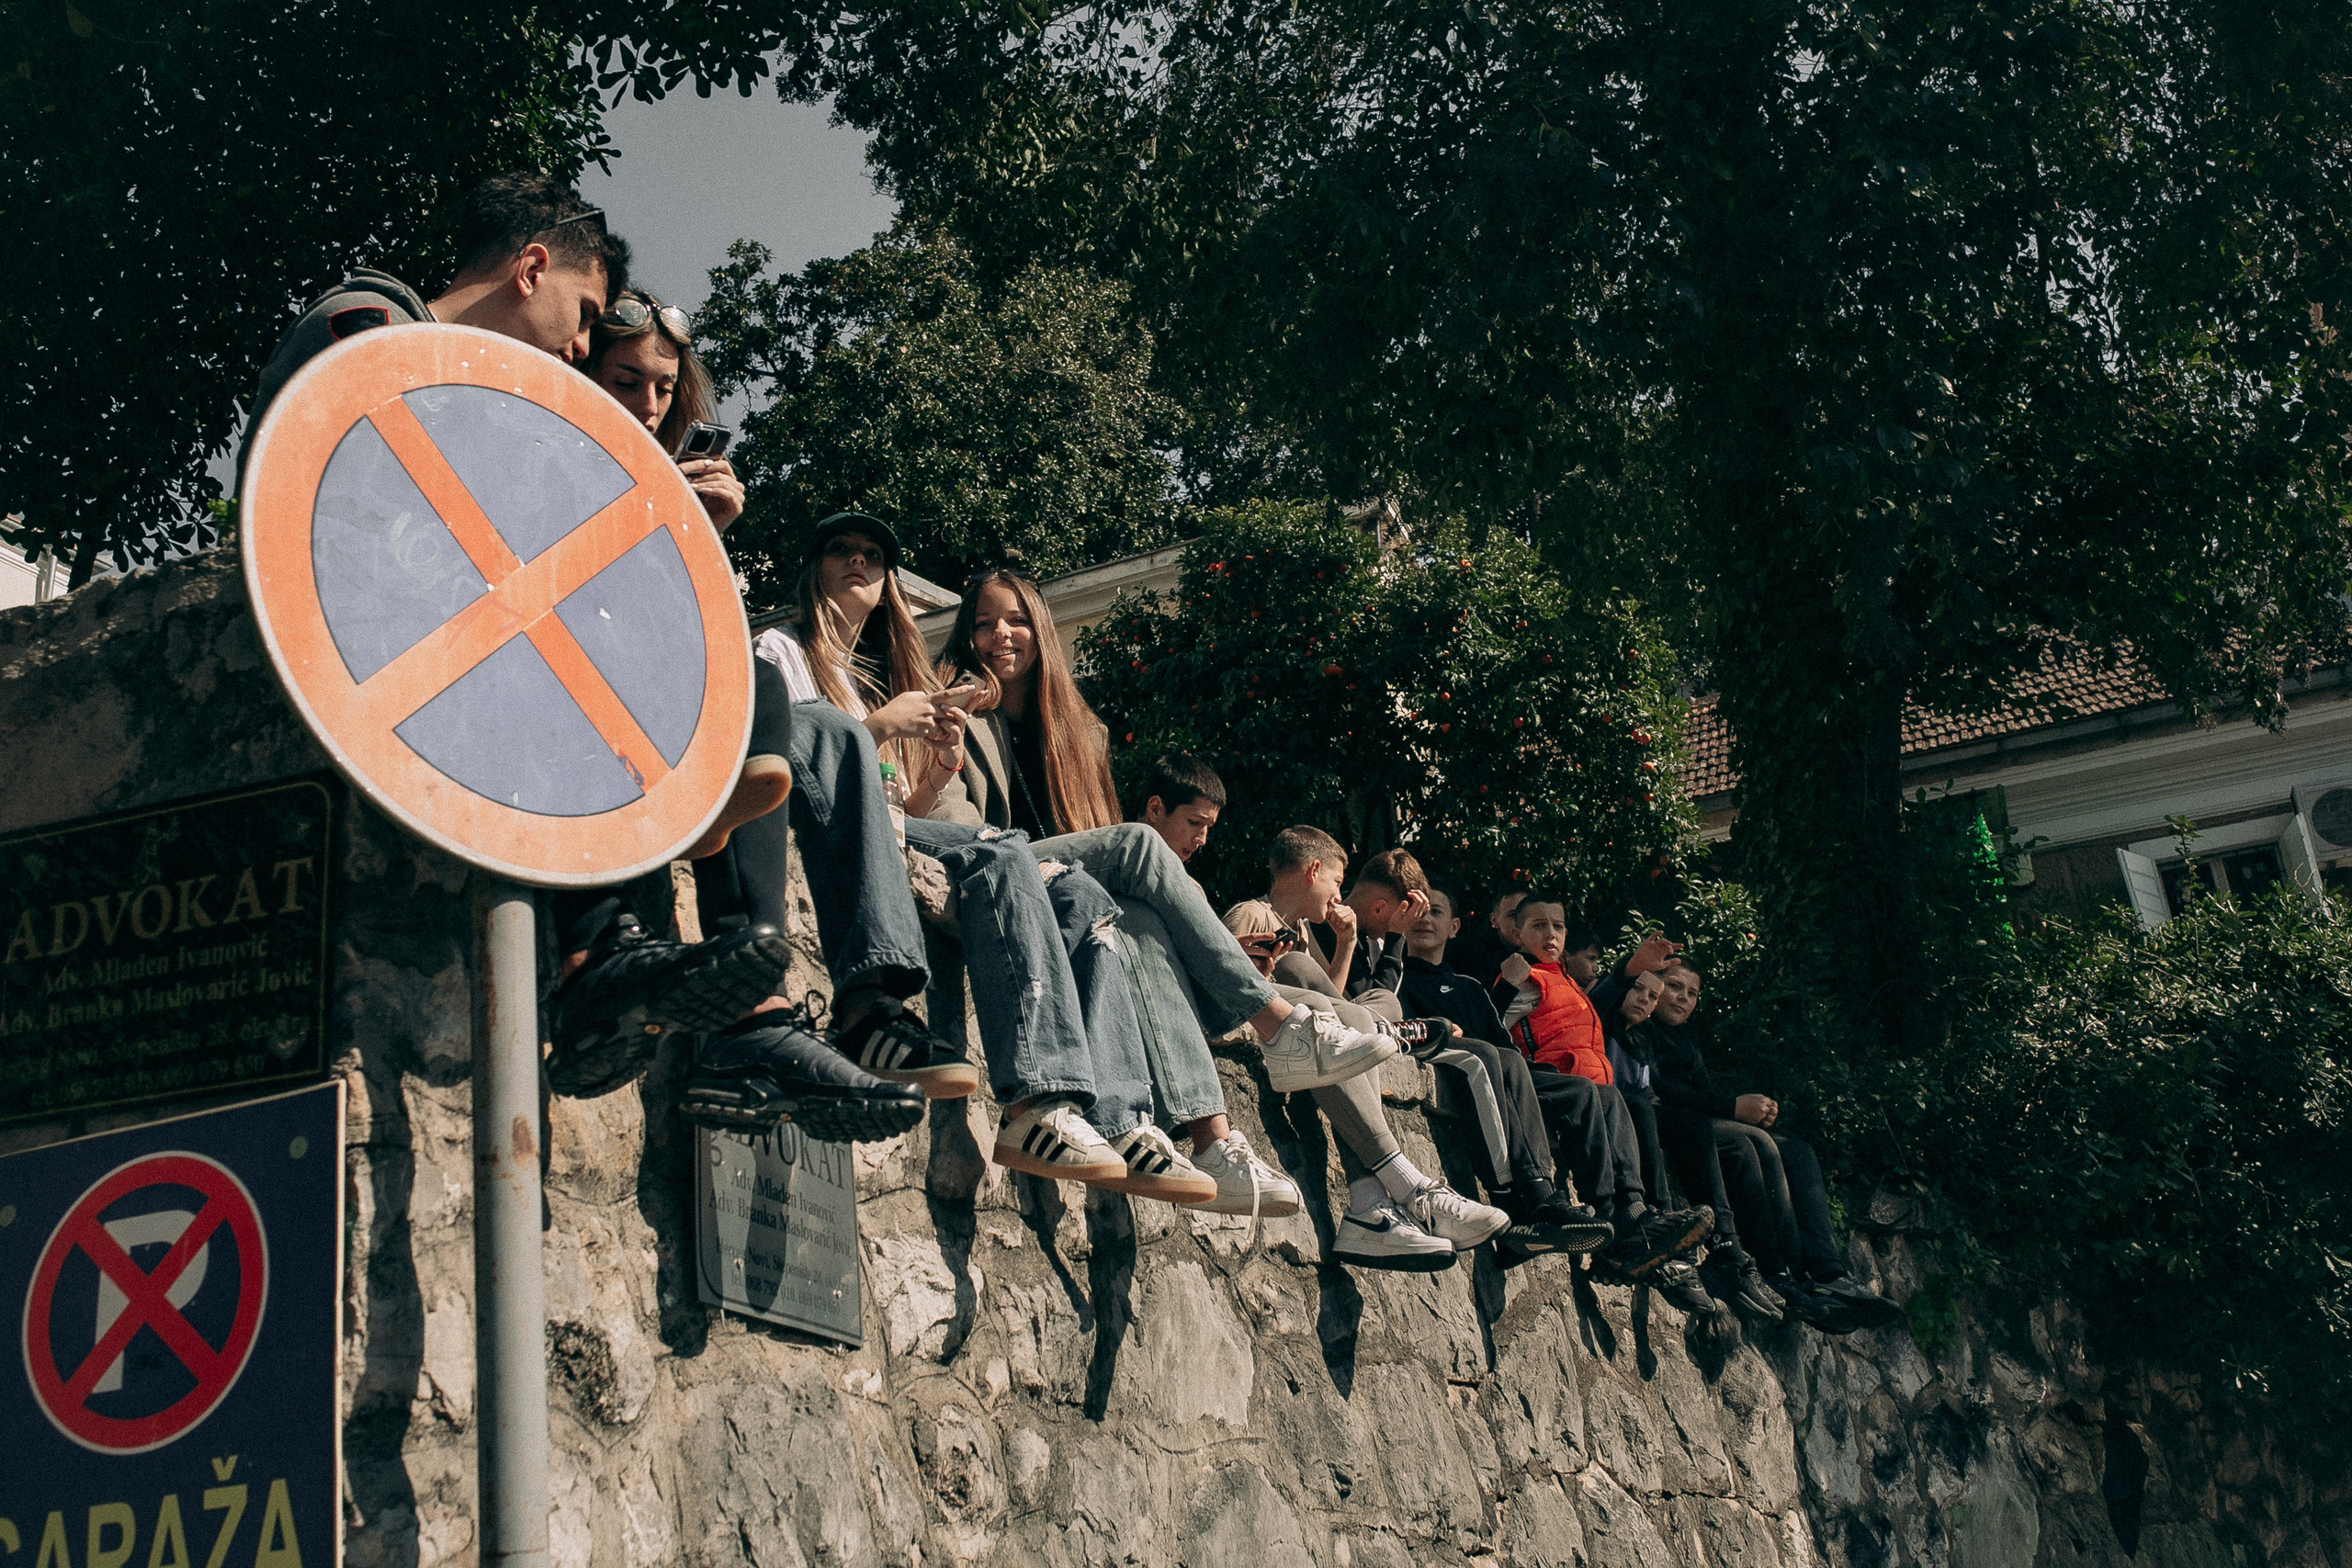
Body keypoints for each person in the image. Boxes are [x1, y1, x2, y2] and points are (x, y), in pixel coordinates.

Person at [239, 173, 879, 1134]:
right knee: (583, 663)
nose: (582, 348)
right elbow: (362, 502)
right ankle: (634, 964)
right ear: (531, 266)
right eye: (583, 316)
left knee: (696, 675)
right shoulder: (375, 325)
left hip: (455, 638)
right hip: (382, 642)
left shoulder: (458, 377)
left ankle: (618, 973)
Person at [934, 569, 1393, 1212]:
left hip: (1062, 891)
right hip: (998, 870)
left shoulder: (1079, 732)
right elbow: (950, 817)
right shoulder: (952, 700)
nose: (998, 635)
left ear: (1040, 628)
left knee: (1144, 921)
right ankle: (1278, 1024)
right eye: (982, 622)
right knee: (1139, 845)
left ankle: (1211, 1138)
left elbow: (1087, 848)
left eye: (1013, 619)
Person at [1228, 828, 1511, 1270]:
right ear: (1314, 871)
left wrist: (1344, 944)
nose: (1339, 895)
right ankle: (1403, 1187)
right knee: (1322, 987)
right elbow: (1230, 980)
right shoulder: (1252, 912)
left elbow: (1333, 998)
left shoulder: (1302, 929)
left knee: (1365, 1011)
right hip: (1279, 1024)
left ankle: (1369, 1204)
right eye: (1337, 883)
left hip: (1323, 1019)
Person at [1646, 961, 1906, 1332]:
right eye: (1675, 987)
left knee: (1798, 1151)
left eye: (1692, 993)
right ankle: (1776, 1271)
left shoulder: (1686, 1037)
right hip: (1675, 1124)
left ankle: (1826, 1272)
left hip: (1703, 1119)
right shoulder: (1641, 1022)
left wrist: (1747, 1108)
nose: (1683, 998)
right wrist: (1734, 1109)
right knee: (1751, 1142)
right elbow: (1660, 1090)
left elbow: (1701, 1091)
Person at [1490, 890, 1712, 1278]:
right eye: (1538, 926)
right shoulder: (1525, 978)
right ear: (1517, 933)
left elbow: (1604, 1003)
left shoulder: (1568, 983)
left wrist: (1632, 967)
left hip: (1585, 1090)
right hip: (1544, 1082)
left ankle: (1635, 1210)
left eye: (1557, 926)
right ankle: (1609, 1219)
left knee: (1613, 1098)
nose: (1550, 934)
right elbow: (1488, 1028)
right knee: (1589, 1093)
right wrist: (1506, 987)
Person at [1399, 886, 1612, 1255]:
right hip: (1447, 1058)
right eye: (1416, 910)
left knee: (1580, 1089)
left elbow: (1502, 1037)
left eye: (1435, 912)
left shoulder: (1468, 987)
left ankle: (1607, 1212)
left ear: (1453, 928)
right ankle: (1532, 1198)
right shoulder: (1396, 975)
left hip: (1495, 1066)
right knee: (1497, 1057)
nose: (1424, 919)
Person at [1447, 887, 1527, 987]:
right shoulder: (1464, 954)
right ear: (1494, 920)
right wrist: (1509, 983)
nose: (1522, 923)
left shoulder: (1546, 952)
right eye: (1512, 915)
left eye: (1528, 916)